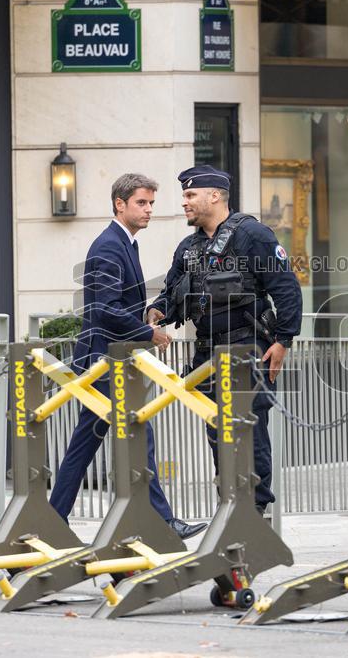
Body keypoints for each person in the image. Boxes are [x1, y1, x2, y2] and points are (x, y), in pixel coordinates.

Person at [49, 173, 206, 540]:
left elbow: (117, 305)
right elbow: (105, 308)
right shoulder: (109, 246)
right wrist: (147, 332)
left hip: (106, 360)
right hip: (103, 362)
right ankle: (163, 521)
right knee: (140, 433)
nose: (149, 209)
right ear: (120, 204)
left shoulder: (125, 243)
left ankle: (54, 516)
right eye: (142, 202)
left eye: (151, 202)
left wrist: (147, 314)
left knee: (84, 443)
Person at [146, 166, 302, 515]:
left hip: (248, 349)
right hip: (208, 355)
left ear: (213, 196)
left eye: (190, 195)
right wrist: (158, 311)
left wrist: (284, 339)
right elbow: (172, 292)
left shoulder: (252, 235)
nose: (184, 203)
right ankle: (231, 506)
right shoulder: (189, 246)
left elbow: (286, 288)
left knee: (250, 431)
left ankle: (255, 511)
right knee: (218, 434)